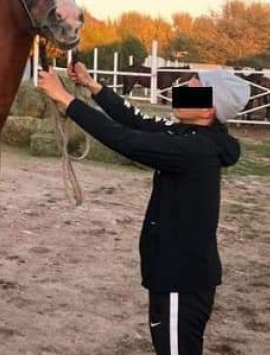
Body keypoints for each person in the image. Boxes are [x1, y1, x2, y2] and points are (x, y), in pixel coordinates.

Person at [38, 62, 249, 355]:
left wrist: (65, 99)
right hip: (171, 273)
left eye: (193, 88)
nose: (182, 89)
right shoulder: (186, 133)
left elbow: (125, 140)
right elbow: (134, 120)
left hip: (181, 281)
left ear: (208, 109)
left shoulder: (195, 150)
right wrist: (93, 86)